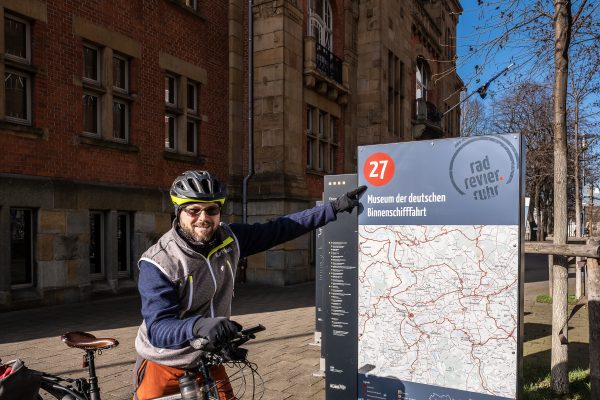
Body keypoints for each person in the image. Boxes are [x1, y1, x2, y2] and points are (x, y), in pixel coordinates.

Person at [133, 170, 366, 399]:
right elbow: (158, 329)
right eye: (193, 210)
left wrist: (333, 208)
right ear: (179, 212)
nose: (203, 218)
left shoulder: (228, 239)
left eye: (211, 210)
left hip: (207, 355)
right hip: (165, 363)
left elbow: (279, 228)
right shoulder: (159, 262)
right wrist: (198, 326)